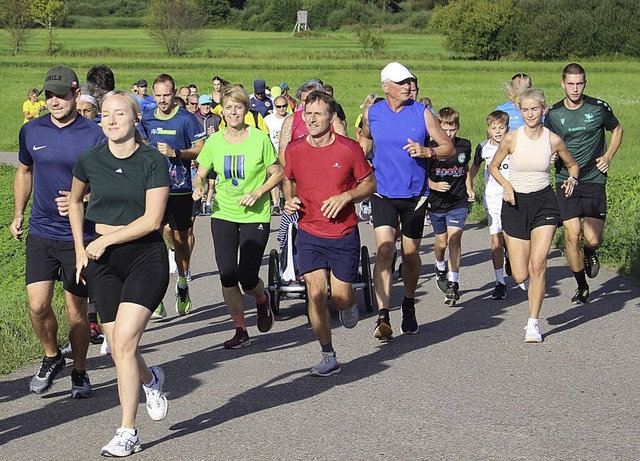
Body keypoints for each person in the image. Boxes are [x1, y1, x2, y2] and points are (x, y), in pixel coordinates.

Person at [69, 90, 170, 457]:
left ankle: (128, 431)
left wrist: (105, 241)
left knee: (125, 342)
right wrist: (83, 249)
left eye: (119, 115)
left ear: (135, 119)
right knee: (120, 349)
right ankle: (150, 378)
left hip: (145, 257)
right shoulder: (90, 160)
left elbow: (152, 220)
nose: (111, 121)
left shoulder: (151, 161)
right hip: (102, 263)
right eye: (105, 115)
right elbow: (75, 201)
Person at [11, 65, 105, 396]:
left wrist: (84, 198)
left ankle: (80, 370)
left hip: (79, 238)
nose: (54, 101)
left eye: (61, 96)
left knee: (76, 313)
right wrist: (18, 212)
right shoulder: (32, 131)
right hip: (41, 231)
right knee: (37, 305)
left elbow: (109, 181)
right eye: (49, 96)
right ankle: (52, 356)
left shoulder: (94, 134)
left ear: (76, 95)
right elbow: (24, 171)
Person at [359, 62, 455, 340]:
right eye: (401, 83)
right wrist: (359, 159)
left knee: (411, 254)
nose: (407, 87)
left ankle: (409, 304)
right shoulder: (372, 113)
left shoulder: (422, 112)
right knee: (385, 250)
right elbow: (365, 139)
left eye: (408, 82)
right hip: (383, 192)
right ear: (385, 86)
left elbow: (447, 147)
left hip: (414, 195)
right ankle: (382, 315)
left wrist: (427, 151)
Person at [283, 90, 375, 376]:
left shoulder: (349, 149)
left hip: (343, 233)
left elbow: (369, 183)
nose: (311, 119)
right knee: (315, 293)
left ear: (331, 117)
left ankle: (348, 305)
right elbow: (289, 180)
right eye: (307, 114)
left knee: (340, 297)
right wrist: (289, 200)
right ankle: (328, 354)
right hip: (309, 231)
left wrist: (347, 197)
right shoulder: (294, 149)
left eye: (318, 113)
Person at [193, 85, 282, 349]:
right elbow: (200, 173)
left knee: (247, 277)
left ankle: (261, 298)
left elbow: (277, 172)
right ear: (223, 111)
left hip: (255, 213)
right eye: (228, 107)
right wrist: (198, 186)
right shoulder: (215, 141)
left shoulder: (259, 139)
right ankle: (240, 329)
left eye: (238, 107)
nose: (233, 112)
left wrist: (259, 191)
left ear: (246, 109)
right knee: (228, 275)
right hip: (224, 212)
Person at [489, 87, 579, 343]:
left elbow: (572, 165)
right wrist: (506, 186)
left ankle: (533, 323)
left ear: (544, 110)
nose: (530, 114)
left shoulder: (553, 139)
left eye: (535, 109)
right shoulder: (511, 138)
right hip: (516, 203)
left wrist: (572, 178)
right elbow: (494, 166)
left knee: (538, 265)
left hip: (544, 203)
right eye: (525, 109)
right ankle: (530, 290)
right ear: (519, 111)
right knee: (520, 274)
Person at [545, 63, 624, 305]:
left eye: (579, 83)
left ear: (585, 83)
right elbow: (545, 141)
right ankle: (582, 287)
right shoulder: (554, 114)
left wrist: (608, 156)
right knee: (572, 235)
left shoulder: (598, 108)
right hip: (565, 180)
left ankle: (590, 253)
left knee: (592, 239)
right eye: (571, 83)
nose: (575, 88)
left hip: (593, 179)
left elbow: (617, 128)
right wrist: (551, 155)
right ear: (563, 84)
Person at [141, 73, 206, 317]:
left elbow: (201, 149)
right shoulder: (146, 118)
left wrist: (175, 152)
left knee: (180, 240)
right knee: (153, 239)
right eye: (157, 95)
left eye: (166, 95)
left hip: (180, 188)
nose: (161, 100)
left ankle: (182, 281)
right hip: (153, 188)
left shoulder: (186, 119)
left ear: (174, 92)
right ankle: (156, 294)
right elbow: (137, 142)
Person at [426, 107, 473, 306]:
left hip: (457, 201)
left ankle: (453, 282)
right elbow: (420, 176)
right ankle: (439, 266)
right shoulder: (429, 149)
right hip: (437, 203)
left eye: (452, 129)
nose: (449, 133)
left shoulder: (464, 146)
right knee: (442, 243)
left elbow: (465, 168)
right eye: (445, 129)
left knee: (455, 239)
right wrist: (434, 185)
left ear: (457, 127)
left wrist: (469, 187)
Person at [469, 110, 511, 300]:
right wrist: (468, 187)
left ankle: (511, 257)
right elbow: (474, 169)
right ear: (488, 130)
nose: (498, 131)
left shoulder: (513, 145)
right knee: (496, 240)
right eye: (494, 128)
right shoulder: (483, 148)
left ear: (507, 128)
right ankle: (499, 281)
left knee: (510, 239)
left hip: (512, 197)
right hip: (492, 198)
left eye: (501, 127)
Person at [264, 95, 289, 215]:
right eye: (279, 106)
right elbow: (265, 136)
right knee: (274, 178)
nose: (282, 109)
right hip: (272, 153)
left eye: (284, 106)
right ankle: (276, 204)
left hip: (288, 154)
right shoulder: (268, 119)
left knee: (286, 179)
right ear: (275, 106)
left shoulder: (291, 118)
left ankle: (286, 199)